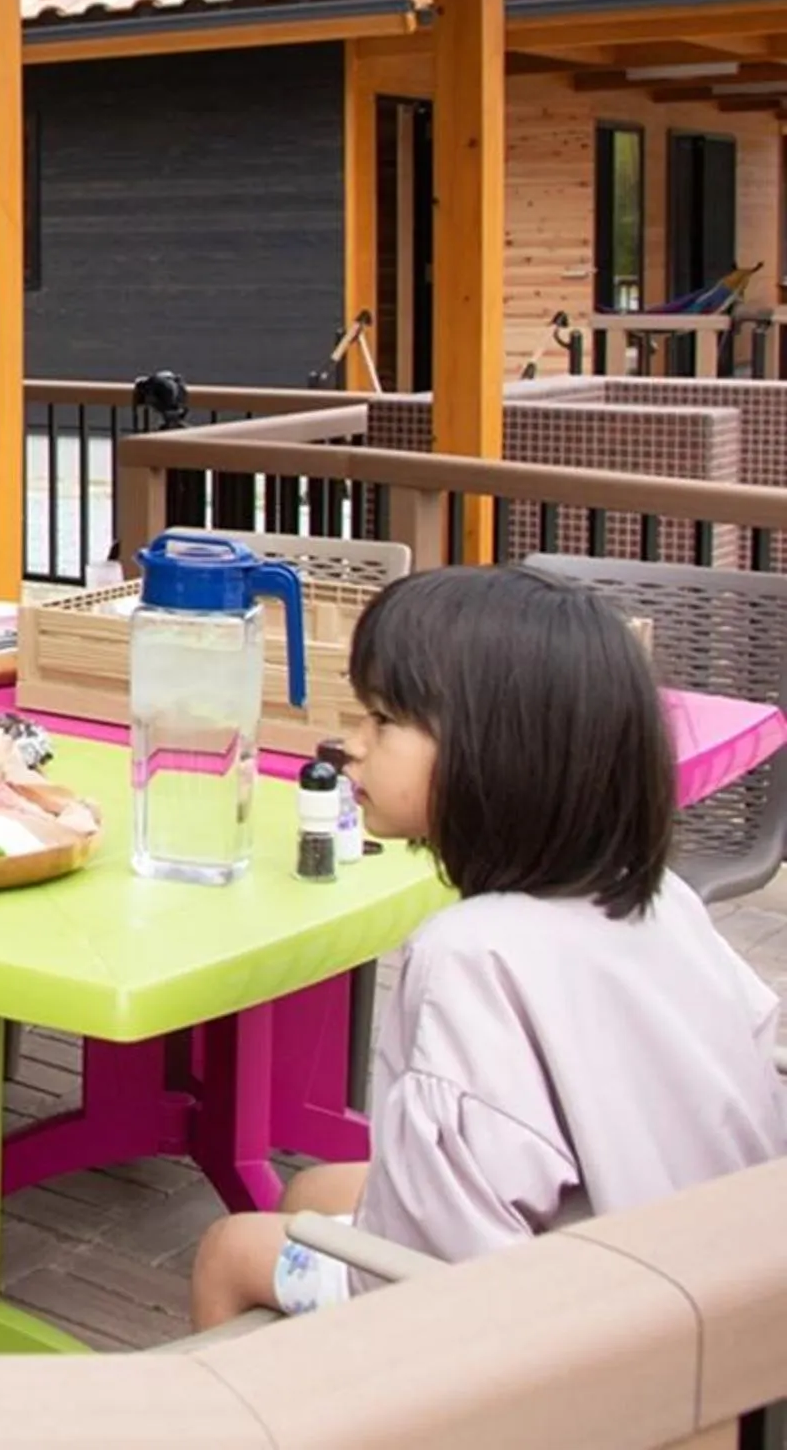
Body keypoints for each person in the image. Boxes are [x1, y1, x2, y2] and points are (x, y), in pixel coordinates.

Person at [188, 564, 787, 1330]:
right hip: (705, 1270)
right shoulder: (661, 900)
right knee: (307, 1193)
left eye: (382, 720)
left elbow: (449, 1267)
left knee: (230, 1248)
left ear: (492, 752)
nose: (349, 745)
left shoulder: (469, 955)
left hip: (580, 1330)